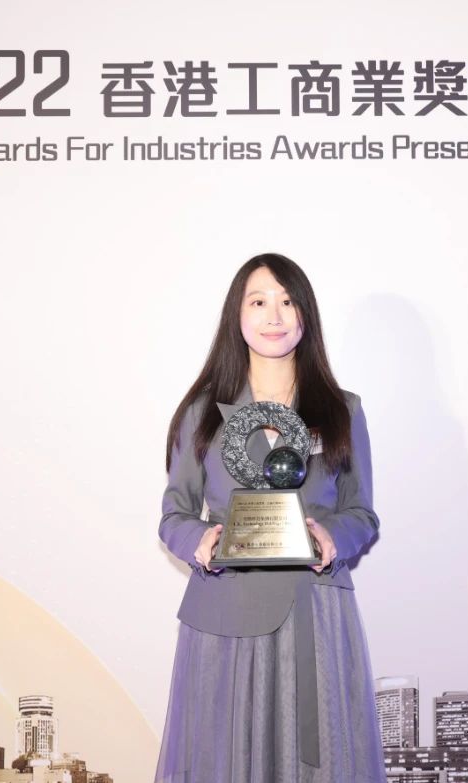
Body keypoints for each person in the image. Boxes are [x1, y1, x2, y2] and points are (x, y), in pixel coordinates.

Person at [155, 253, 385, 783]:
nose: (274, 316)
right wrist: (201, 540)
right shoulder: (200, 413)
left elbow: (362, 512)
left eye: (286, 302)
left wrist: (332, 536)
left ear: (305, 314)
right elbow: (174, 514)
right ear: (237, 315)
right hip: (224, 613)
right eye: (258, 302)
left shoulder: (342, 409)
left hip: (314, 609)